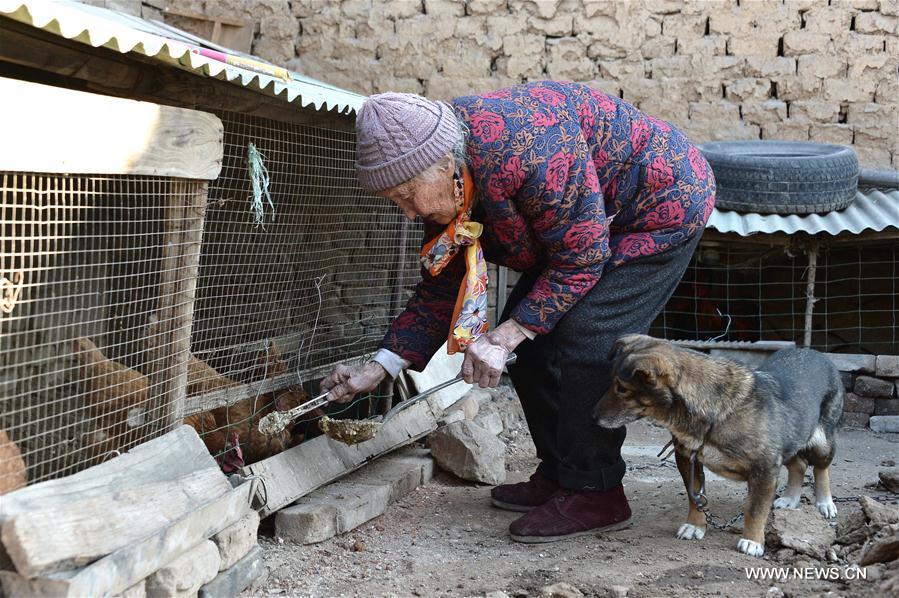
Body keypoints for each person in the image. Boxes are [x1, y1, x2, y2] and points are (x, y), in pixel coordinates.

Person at [320, 80, 715, 543]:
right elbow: (441, 283)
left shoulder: (527, 150)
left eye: (408, 195)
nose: (409, 213)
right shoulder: (440, 177)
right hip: (581, 226)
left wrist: (505, 335)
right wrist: (381, 366)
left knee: (586, 340)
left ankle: (597, 491)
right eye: (396, 202)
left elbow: (583, 257)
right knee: (534, 346)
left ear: (447, 163)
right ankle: (561, 473)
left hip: (657, 208)